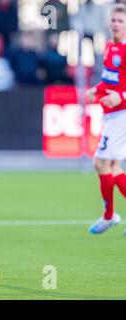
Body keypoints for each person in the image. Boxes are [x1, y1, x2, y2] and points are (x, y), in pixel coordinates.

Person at [86, 4, 126, 234]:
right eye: (114, 20)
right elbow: (110, 79)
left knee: (100, 162)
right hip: (112, 114)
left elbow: (120, 89)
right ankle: (109, 215)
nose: (116, 24)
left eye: (120, 21)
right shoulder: (110, 46)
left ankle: (109, 216)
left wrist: (120, 96)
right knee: (113, 166)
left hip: (121, 115)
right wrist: (97, 90)